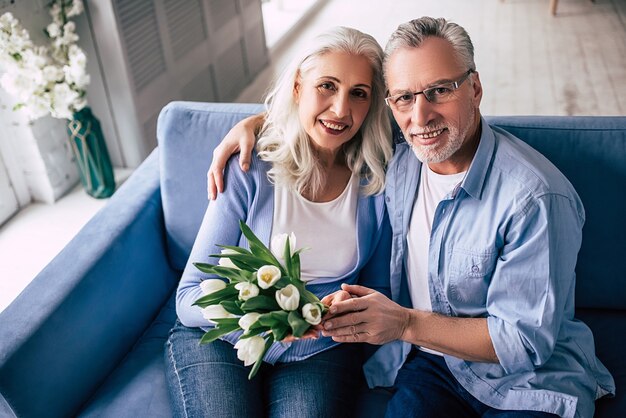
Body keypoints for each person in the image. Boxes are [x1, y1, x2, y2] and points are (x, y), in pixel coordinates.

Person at [205, 16, 615, 418]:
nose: (420, 117)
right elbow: (331, 116)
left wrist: (403, 324)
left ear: (475, 88)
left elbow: (523, 342)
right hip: (433, 367)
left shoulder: (534, 198)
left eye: (440, 90)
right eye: (404, 97)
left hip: (528, 382)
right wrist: (257, 124)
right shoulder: (401, 157)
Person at [164, 26, 393, 418]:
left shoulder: (378, 180)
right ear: (298, 86)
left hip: (319, 350)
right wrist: (264, 317)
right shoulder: (250, 168)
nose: (341, 110)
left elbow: (378, 287)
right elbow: (188, 298)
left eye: (359, 93)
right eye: (327, 86)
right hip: (221, 338)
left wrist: (347, 311)